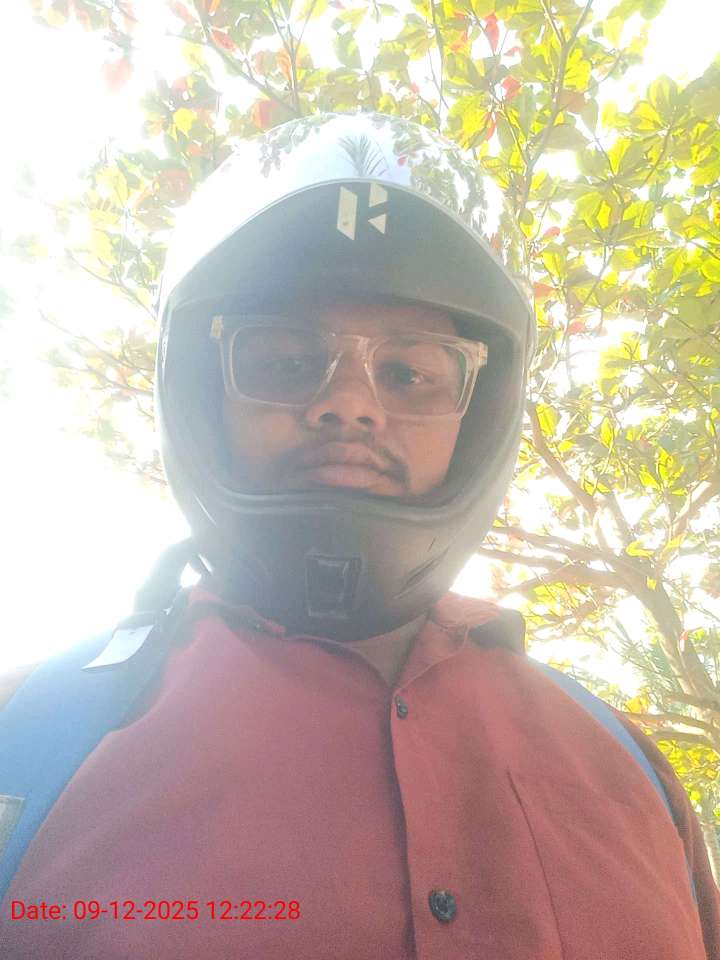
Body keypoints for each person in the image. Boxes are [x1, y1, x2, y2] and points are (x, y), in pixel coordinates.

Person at [1, 112, 718, 959]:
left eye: (410, 372)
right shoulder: (28, 740)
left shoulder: (628, 764)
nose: (350, 404)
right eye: (283, 361)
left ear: (479, 417)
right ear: (201, 395)